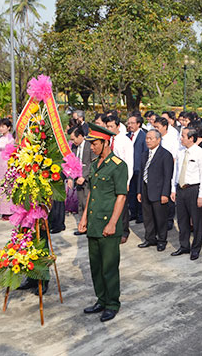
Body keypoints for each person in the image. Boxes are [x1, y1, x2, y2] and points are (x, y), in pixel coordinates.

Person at [78, 123, 128, 322]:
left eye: (95, 143)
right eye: (91, 144)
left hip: (108, 223)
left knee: (109, 266)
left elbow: (121, 196)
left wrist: (113, 223)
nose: (92, 147)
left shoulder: (118, 165)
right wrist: (83, 219)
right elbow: (92, 193)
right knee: (96, 265)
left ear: (106, 143)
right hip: (94, 223)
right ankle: (101, 299)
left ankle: (112, 303)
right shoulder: (96, 164)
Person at [170, 127, 202, 260]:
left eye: (183, 136)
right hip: (181, 189)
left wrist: (201, 195)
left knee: (196, 221)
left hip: (194, 189)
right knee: (182, 220)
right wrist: (173, 189)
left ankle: (196, 248)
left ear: (191, 138)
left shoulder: (200, 153)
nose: (181, 138)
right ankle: (184, 245)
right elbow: (176, 171)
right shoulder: (180, 152)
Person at [137, 130, 174, 251]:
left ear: (158, 140)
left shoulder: (165, 155)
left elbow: (168, 176)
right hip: (145, 189)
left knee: (160, 218)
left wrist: (165, 193)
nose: (148, 140)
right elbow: (141, 174)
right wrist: (139, 191)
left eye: (151, 138)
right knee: (147, 216)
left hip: (159, 191)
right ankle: (150, 238)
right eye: (147, 138)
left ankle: (162, 240)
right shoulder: (144, 154)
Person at [105, 115, 135, 243]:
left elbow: (129, 162)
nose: (109, 128)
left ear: (118, 126)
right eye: (107, 126)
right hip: (109, 176)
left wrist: (127, 181)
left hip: (121, 176)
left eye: (111, 126)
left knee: (122, 206)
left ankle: (124, 231)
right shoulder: (107, 140)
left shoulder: (125, 141)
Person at [69, 127, 95, 235]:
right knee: (80, 203)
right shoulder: (74, 147)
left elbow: (92, 163)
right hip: (77, 178)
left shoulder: (90, 145)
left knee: (87, 203)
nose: (72, 141)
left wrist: (84, 176)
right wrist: (70, 177)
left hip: (88, 179)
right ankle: (82, 226)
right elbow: (71, 162)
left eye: (73, 138)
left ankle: (90, 226)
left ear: (80, 136)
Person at [127, 114, 147, 224]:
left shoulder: (143, 136)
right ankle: (133, 213)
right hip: (130, 168)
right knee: (131, 192)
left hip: (139, 168)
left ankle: (140, 214)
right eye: (128, 123)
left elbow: (145, 153)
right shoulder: (127, 136)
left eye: (132, 123)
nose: (130, 125)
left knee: (139, 192)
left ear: (138, 124)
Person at [0, 118, 15, 220]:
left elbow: (13, 154)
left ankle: (9, 211)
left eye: (3, 126)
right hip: (0, 166)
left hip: (7, 166)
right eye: (0, 126)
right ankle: (2, 210)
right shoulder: (0, 139)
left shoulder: (11, 139)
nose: (1, 128)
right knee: (1, 188)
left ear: (8, 127)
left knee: (8, 188)